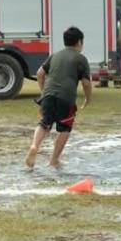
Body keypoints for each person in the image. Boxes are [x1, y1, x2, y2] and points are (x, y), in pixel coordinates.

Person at [25, 27, 92, 168]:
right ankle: (54, 160)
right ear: (79, 42)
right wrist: (88, 98)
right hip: (66, 99)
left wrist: (44, 91)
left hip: (48, 96)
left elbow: (39, 73)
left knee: (44, 123)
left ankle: (34, 146)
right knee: (65, 129)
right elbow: (86, 82)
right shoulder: (81, 59)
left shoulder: (55, 55)